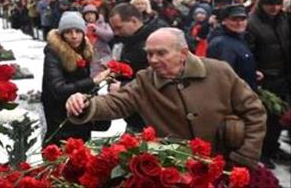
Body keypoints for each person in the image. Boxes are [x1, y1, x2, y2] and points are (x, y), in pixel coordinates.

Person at [66, 28, 267, 168]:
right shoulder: (145, 81)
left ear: (183, 53)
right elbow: (115, 103)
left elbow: (255, 112)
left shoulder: (219, 71)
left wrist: (246, 156)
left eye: (161, 53)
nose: (153, 60)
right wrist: (84, 104)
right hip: (178, 172)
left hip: (225, 165)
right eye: (149, 54)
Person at [41, 12, 110, 145]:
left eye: (78, 31)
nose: (74, 36)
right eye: (68, 32)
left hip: (79, 110)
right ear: (62, 34)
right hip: (59, 113)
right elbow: (58, 89)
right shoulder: (53, 53)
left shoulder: (85, 49)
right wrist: (93, 81)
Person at [247, 0, 291, 168]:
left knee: (280, 117)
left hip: (284, 75)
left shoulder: (283, 19)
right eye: (270, 4)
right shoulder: (253, 23)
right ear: (263, 4)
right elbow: (250, 51)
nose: (274, 8)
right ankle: (263, 152)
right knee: (265, 118)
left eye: (278, 4)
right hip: (266, 78)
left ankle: (273, 147)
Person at [108, 3, 165, 132]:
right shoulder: (128, 41)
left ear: (134, 21)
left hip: (150, 118)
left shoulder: (152, 45)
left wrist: (123, 86)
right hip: (134, 113)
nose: (116, 33)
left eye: (119, 27)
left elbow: (159, 80)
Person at [207, 5, 259, 90]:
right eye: (234, 20)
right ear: (224, 21)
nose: (239, 23)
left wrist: (251, 73)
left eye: (243, 19)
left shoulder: (240, 38)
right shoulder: (221, 44)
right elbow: (224, 75)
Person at [81, 4, 113, 76]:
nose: (89, 16)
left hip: (103, 57)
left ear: (96, 15)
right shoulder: (82, 26)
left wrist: (96, 30)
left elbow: (109, 36)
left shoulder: (104, 25)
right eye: (87, 14)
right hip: (88, 58)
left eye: (92, 14)